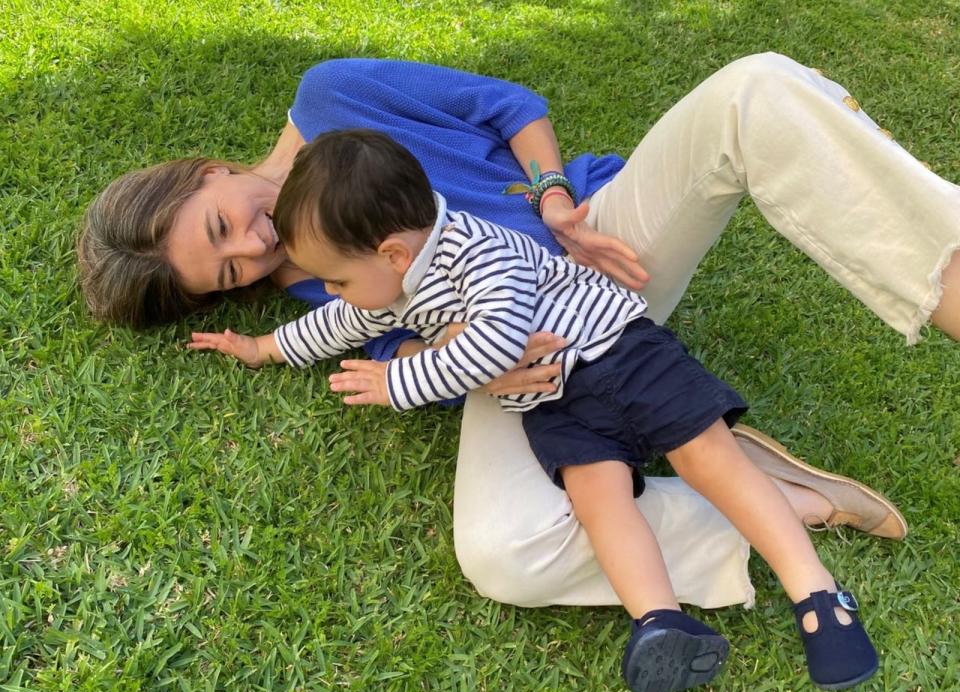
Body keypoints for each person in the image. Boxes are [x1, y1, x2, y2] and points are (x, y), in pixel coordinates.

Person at [76, 52, 917, 615]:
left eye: (222, 224)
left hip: (601, 245)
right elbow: (390, 341)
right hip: (530, 360)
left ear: (204, 173)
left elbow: (507, 106)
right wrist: (468, 365)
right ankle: (776, 497)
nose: (253, 248)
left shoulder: (330, 94)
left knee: (751, 90)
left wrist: (555, 200)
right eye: (228, 273)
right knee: (503, 554)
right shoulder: (308, 278)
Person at [189, 128, 882, 692]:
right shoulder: (391, 279)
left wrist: (400, 382)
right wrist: (261, 348)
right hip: (556, 401)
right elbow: (337, 323)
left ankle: (819, 597)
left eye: (338, 277)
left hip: (619, 354)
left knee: (709, 461)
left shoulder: (480, 252)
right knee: (598, 501)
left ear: (392, 252)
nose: (335, 294)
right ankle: (661, 621)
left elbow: (491, 345)